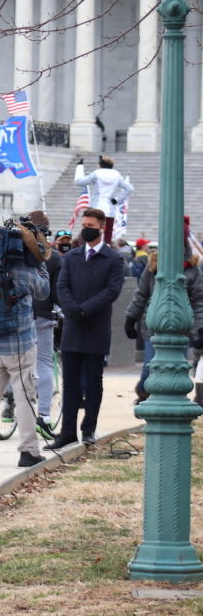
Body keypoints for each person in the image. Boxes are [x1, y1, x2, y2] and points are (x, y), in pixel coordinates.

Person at [0, 223, 50, 467]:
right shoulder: (25, 266)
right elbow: (43, 291)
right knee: (25, 397)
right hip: (21, 342)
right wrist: (39, 260)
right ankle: (28, 451)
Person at [49, 208, 126, 448]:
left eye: (91, 224)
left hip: (95, 326)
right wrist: (72, 309)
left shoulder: (113, 259)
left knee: (93, 382)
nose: (86, 228)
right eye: (84, 223)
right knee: (70, 382)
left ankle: (89, 428)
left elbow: (112, 291)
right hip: (73, 325)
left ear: (101, 227)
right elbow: (61, 286)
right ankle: (67, 431)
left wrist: (85, 309)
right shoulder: (71, 257)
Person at [124, 220, 203, 404]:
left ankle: (167, 399)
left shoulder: (193, 270)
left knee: (176, 368)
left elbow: (199, 301)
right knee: (150, 367)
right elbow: (141, 294)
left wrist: (200, 327)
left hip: (180, 327)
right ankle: (144, 392)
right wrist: (130, 316)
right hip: (153, 326)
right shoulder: (153, 266)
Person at [28, 211, 62, 425]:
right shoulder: (54, 257)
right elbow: (57, 291)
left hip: (17, 313)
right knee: (44, 363)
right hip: (42, 312)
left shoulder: (15, 252)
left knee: (14, 363)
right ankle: (44, 415)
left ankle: (9, 404)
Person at [74, 155, 134, 244]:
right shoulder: (117, 175)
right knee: (107, 239)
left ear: (100, 164)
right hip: (109, 211)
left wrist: (79, 167)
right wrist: (117, 199)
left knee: (89, 236)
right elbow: (130, 188)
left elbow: (79, 181)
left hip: (94, 209)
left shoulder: (97, 173)